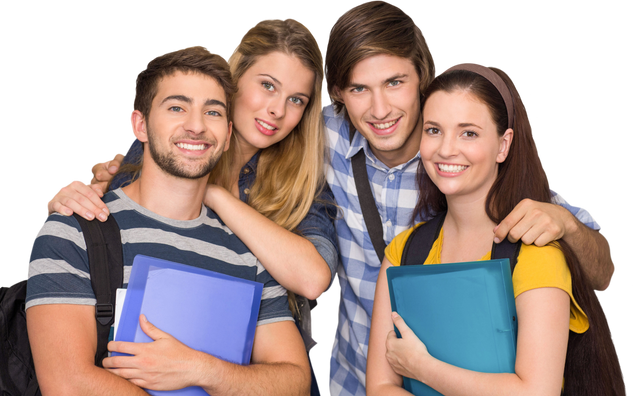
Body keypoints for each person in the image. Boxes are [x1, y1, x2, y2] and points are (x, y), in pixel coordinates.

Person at [45, 2, 617, 395]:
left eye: (395, 83)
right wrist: (86, 187)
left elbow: (603, 270)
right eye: (359, 89)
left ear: (422, 78)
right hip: (358, 380)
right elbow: (145, 165)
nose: (380, 109)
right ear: (339, 97)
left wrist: (565, 227)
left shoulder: (449, 158)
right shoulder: (310, 138)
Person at [44, 16, 337, 396]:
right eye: (267, 86)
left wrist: (212, 194)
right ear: (235, 81)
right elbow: (112, 233)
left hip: (255, 364)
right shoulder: (169, 139)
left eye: (296, 100)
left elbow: (313, 280)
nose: (277, 110)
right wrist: (68, 199)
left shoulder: (302, 182)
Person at [367, 60, 628, 396]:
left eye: (469, 133)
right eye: (434, 130)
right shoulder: (403, 252)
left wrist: (422, 368)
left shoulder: (537, 254)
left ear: (503, 145)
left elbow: (536, 391)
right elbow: (380, 387)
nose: (446, 149)